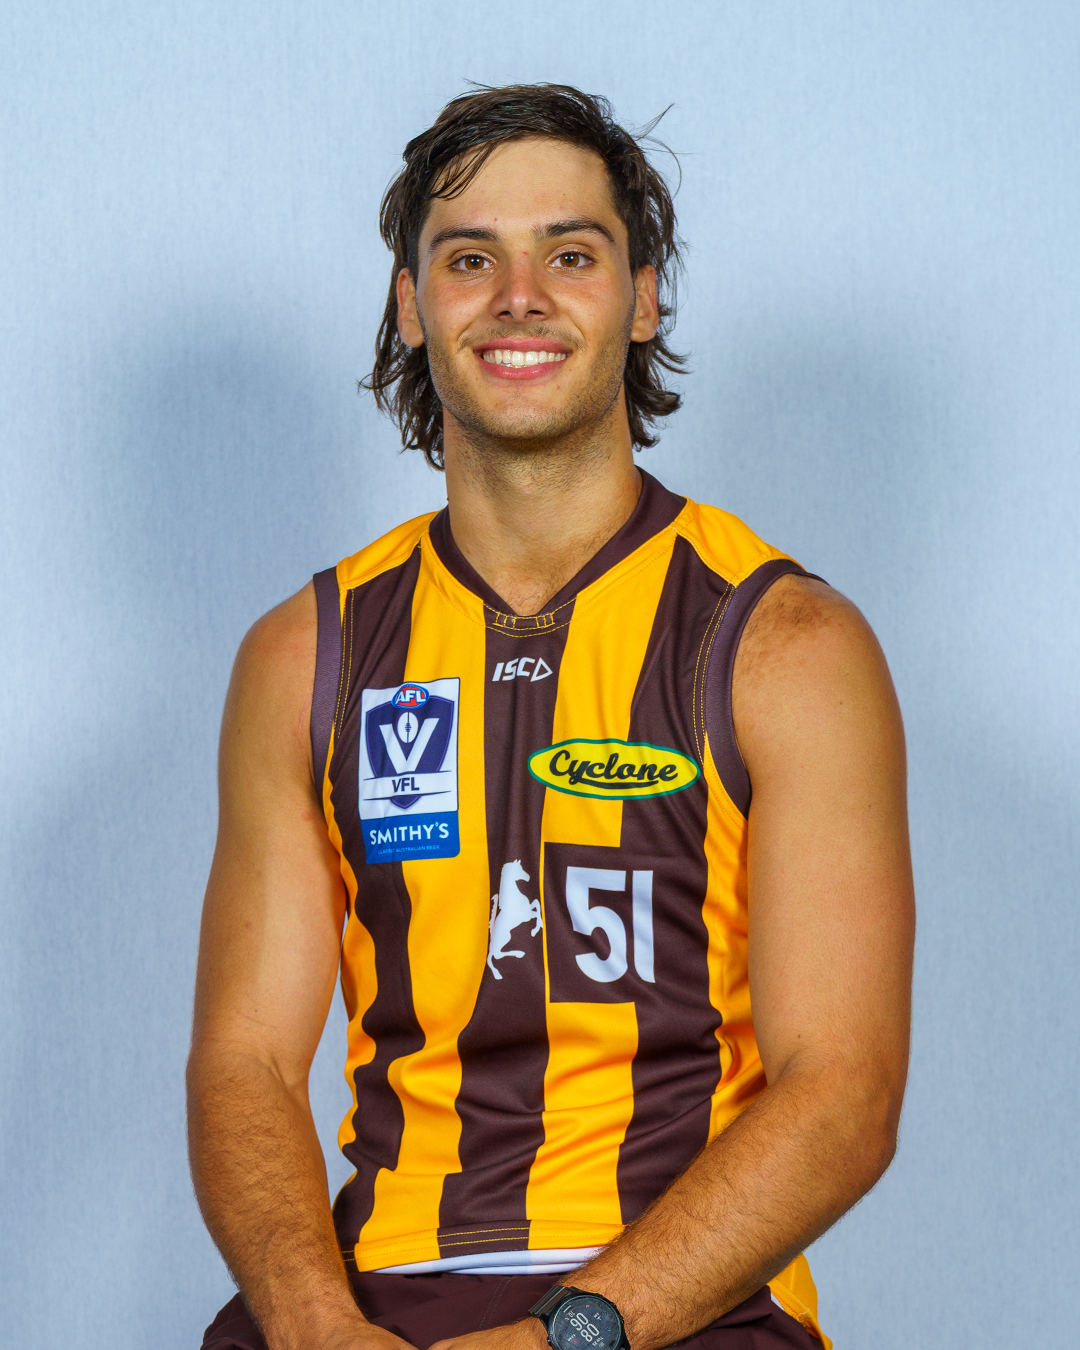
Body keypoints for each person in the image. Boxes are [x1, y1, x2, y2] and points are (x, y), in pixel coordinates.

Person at [187, 84, 914, 1350]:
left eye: (569, 255)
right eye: (470, 259)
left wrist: (564, 1337)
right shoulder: (306, 654)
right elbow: (242, 1059)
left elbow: (844, 1092)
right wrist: (311, 1326)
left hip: (682, 1308)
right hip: (371, 1296)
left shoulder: (786, 648)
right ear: (411, 306)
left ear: (642, 299)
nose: (518, 297)